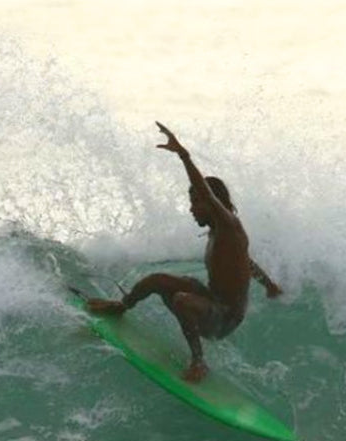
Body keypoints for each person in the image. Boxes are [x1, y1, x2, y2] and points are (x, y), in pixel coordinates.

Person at [85, 122, 282, 382]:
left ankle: (199, 362)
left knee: (181, 300)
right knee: (156, 280)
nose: (191, 209)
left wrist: (184, 155)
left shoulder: (228, 225)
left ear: (212, 203)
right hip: (211, 300)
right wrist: (269, 285)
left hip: (224, 318)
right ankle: (122, 306)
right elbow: (245, 262)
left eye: (195, 203)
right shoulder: (219, 232)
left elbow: (206, 193)